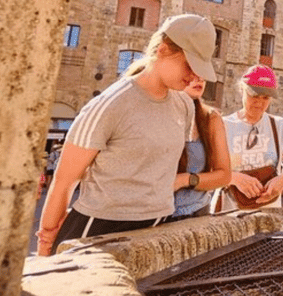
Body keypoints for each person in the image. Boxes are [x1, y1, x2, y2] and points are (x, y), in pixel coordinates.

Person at [36, 14, 217, 255]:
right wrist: (46, 243)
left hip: (155, 227)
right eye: (189, 64)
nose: (195, 76)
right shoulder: (111, 104)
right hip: (99, 228)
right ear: (162, 50)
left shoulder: (183, 106)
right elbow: (65, 180)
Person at [223, 65, 283, 209]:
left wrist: (282, 180)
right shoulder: (224, 125)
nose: (259, 102)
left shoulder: (280, 126)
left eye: (265, 97)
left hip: (269, 214)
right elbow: (207, 170)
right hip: (230, 213)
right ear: (242, 90)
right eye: (254, 95)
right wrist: (234, 178)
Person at [169, 78, 231, 219]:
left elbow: (224, 176)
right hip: (152, 217)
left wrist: (185, 180)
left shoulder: (210, 118)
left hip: (196, 213)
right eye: (191, 70)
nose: (199, 79)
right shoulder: (154, 113)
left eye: (202, 73)